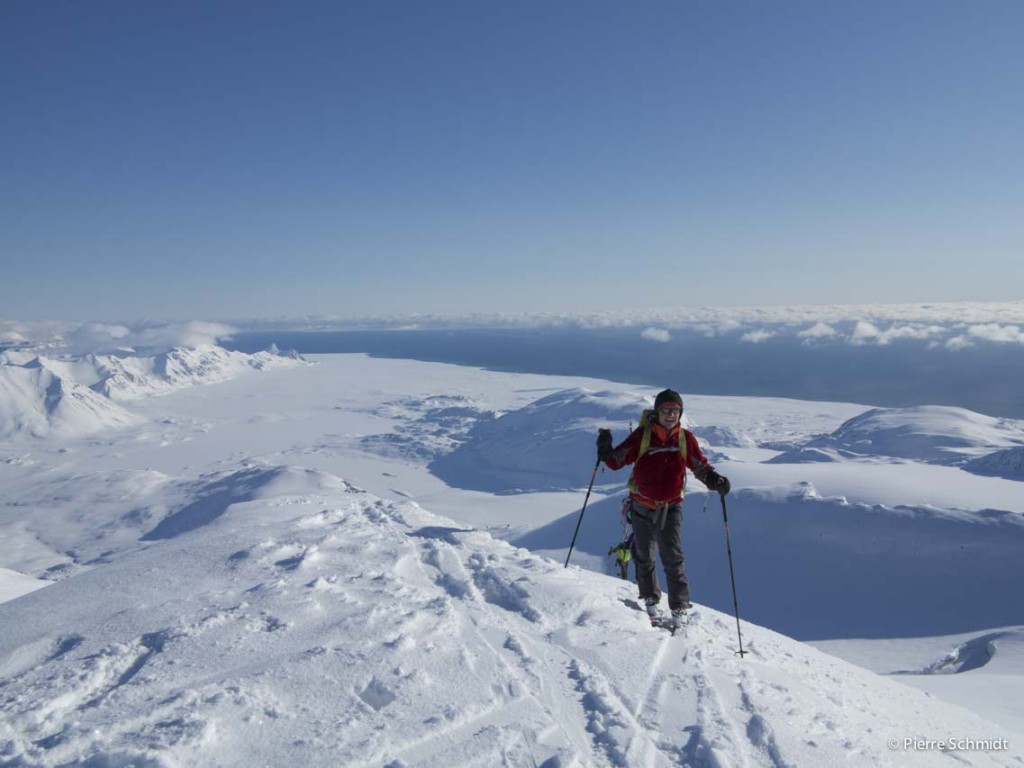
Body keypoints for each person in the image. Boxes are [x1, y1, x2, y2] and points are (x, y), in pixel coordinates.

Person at [596, 389, 730, 626]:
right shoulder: (643, 436)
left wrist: (715, 480)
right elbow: (618, 460)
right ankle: (650, 600)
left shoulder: (685, 439)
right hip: (641, 505)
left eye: (675, 410)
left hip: (672, 507)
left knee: (673, 557)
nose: (670, 415)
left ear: (680, 413)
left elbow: (699, 465)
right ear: (657, 412)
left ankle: (679, 608)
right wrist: (606, 451)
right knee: (644, 556)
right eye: (665, 410)